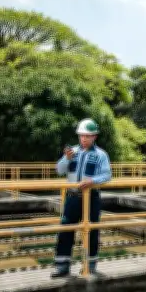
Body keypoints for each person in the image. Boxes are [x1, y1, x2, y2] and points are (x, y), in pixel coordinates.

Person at [52, 118, 112, 278]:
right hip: (72, 196)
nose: (84, 139)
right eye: (82, 136)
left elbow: (107, 175)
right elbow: (59, 170)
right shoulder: (72, 152)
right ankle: (62, 266)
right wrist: (66, 159)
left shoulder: (101, 155)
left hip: (91, 197)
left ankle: (89, 266)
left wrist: (92, 181)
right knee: (66, 229)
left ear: (94, 137)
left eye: (88, 136)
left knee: (91, 230)